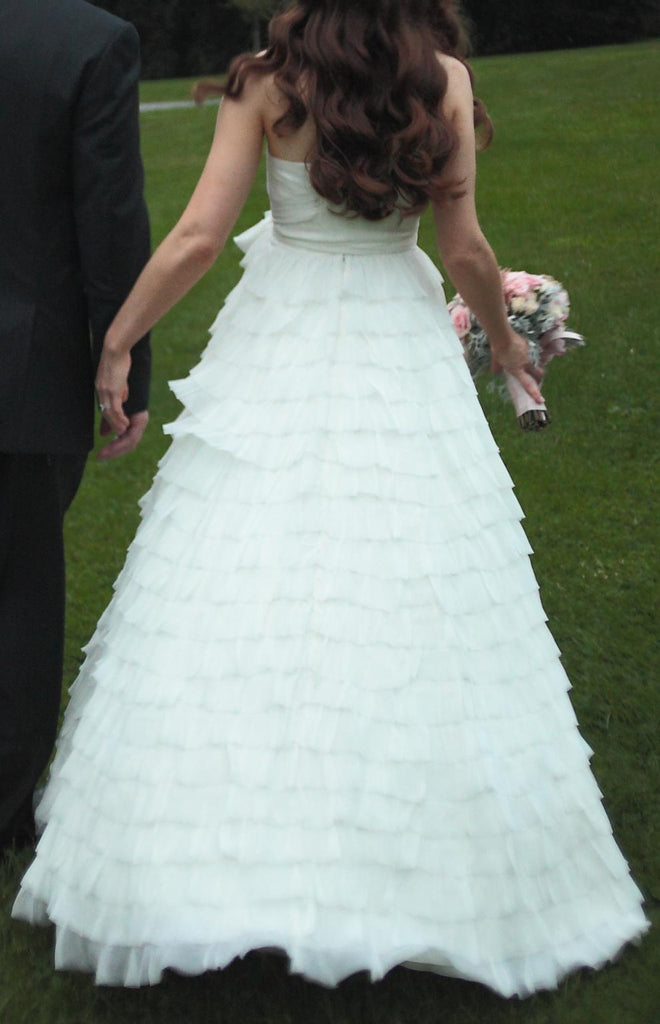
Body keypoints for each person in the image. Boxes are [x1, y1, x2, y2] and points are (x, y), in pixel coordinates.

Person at [13, 0, 648, 997]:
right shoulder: (442, 79)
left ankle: (215, 863)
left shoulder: (268, 79)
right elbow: (466, 250)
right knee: (408, 568)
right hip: (396, 330)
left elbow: (197, 237)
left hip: (281, 327)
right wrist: (506, 342)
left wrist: (120, 337)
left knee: (239, 564)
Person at [0, 0, 151, 852]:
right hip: (23, 368)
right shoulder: (92, 41)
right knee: (19, 591)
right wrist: (128, 363)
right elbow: (111, 218)